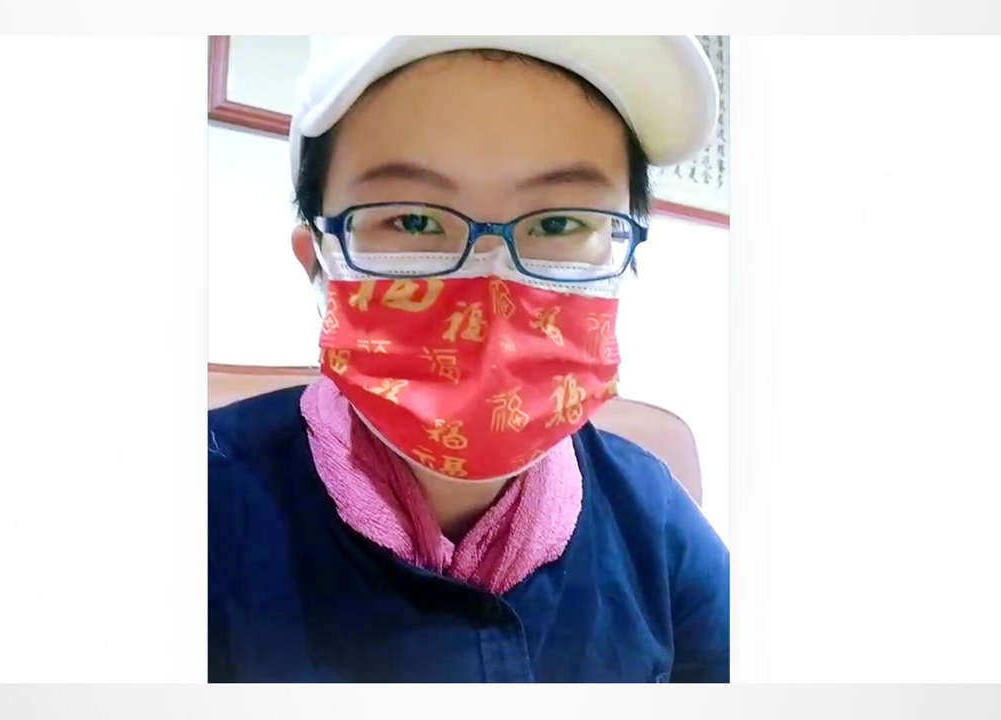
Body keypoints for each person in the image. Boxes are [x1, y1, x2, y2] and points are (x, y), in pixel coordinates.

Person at [208, 35, 729, 682]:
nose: (492, 282)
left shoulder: (654, 519)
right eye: (414, 221)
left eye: (559, 223)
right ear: (317, 262)